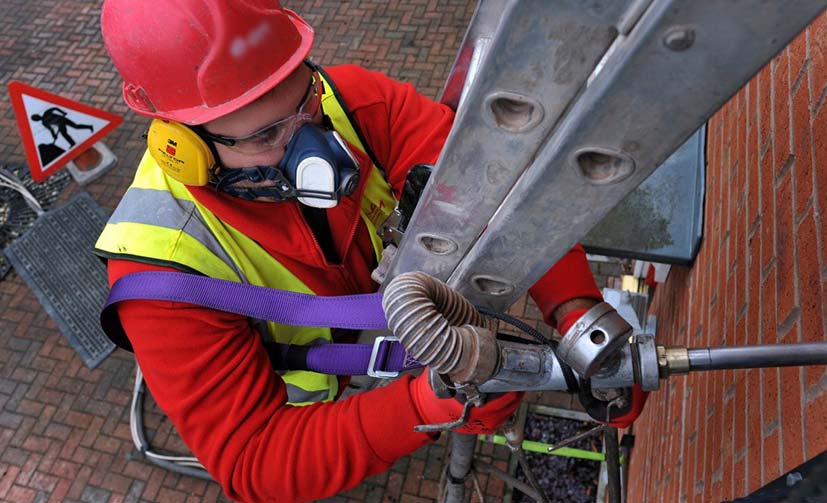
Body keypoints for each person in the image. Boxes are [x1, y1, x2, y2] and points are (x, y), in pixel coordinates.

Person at [96, 2, 605, 502]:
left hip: (403, 331)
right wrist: (429, 401)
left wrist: (576, 311)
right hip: (327, 409)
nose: (313, 147)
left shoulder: (354, 104)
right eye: (268, 134)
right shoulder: (161, 276)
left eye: (305, 99)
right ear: (181, 147)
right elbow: (256, 459)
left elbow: (494, 190)